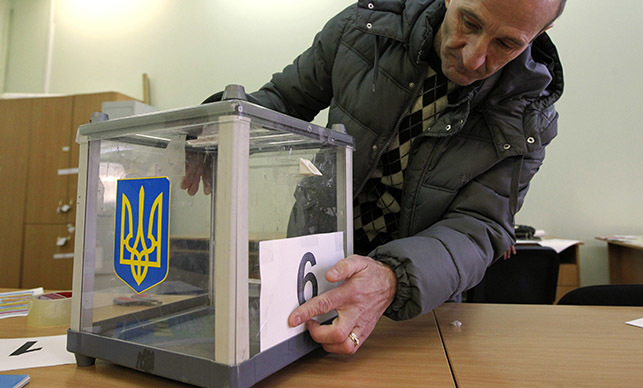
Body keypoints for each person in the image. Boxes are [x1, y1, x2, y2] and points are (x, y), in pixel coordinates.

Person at [186, 0, 566, 355]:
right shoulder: (364, 29)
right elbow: (283, 100)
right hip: (312, 273)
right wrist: (219, 123)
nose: (473, 56)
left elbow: (480, 227)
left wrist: (393, 278)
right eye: (469, 22)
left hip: (418, 303)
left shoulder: (529, 115)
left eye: (507, 44)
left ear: (543, 30)